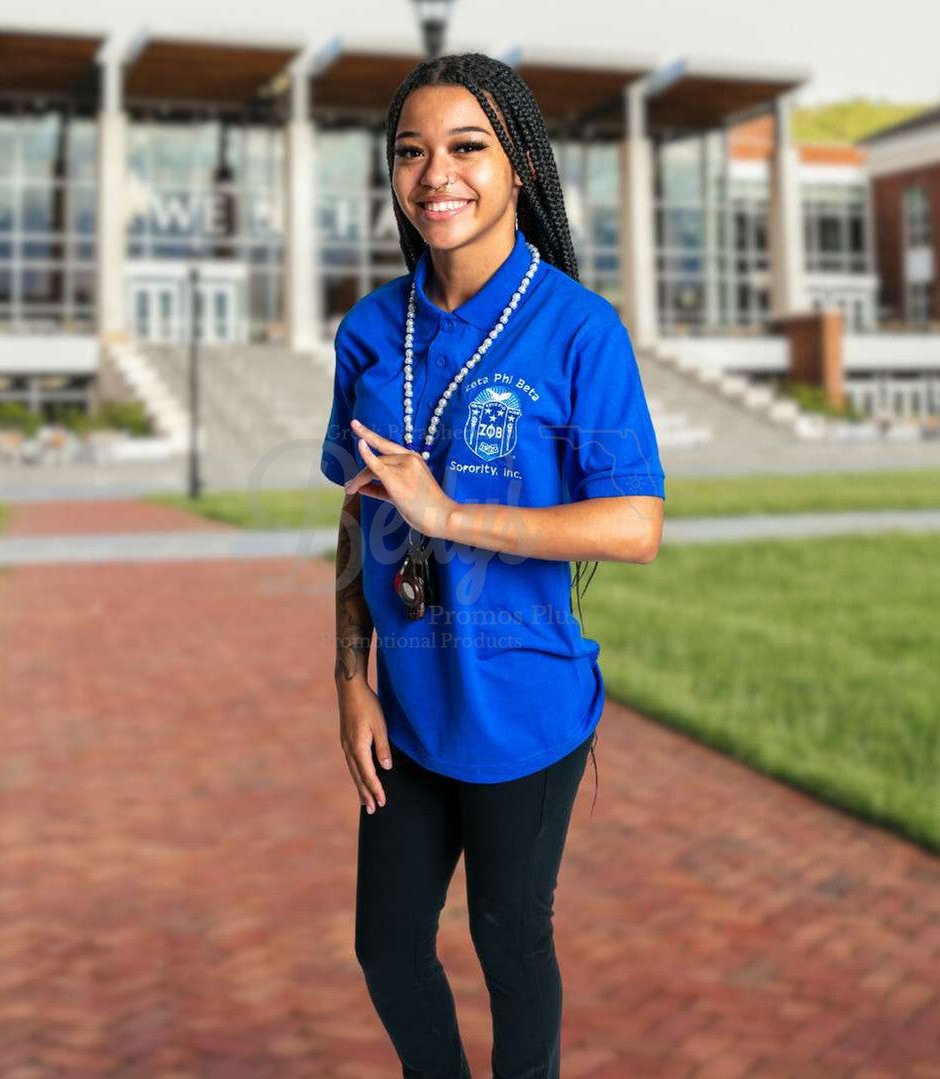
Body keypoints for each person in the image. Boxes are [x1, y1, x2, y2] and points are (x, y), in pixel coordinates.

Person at [321, 52, 665, 1079]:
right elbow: (355, 516)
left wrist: (453, 513)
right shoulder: (371, 331)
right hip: (408, 716)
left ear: (518, 163)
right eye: (410, 152)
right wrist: (347, 678)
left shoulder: (576, 330)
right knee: (386, 948)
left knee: (509, 945)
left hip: (526, 711)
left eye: (466, 146)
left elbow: (633, 526)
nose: (436, 174)